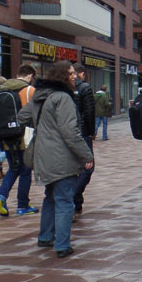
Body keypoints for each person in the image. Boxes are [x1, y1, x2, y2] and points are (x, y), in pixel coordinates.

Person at [19, 61, 94, 258]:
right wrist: (86, 155)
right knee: (64, 201)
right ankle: (62, 245)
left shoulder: (40, 96)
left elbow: (22, 117)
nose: (74, 76)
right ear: (62, 76)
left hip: (42, 155)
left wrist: (43, 125)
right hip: (61, 156)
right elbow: (70, 131)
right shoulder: (63, 98)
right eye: (70, 74)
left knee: (50, 197)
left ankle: (45, 237)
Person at [0, 65, 38, 217]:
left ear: (17, 74)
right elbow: (34, 115)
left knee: (13, 168)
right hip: (24, 135)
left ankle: (1, 196)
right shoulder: (29, 90)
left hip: (5, 136)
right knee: (25, 171)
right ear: (30, 76)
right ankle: (22, 205)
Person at [71, 64, 96, 216]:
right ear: (81, 74)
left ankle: (77, 204)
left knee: (75, 169)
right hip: (83, 132)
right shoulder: (85, 88)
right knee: (88, 167)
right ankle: (73, 197)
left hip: (68, 132)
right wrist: (91, 132)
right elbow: (89, 112)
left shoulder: (65, 89)